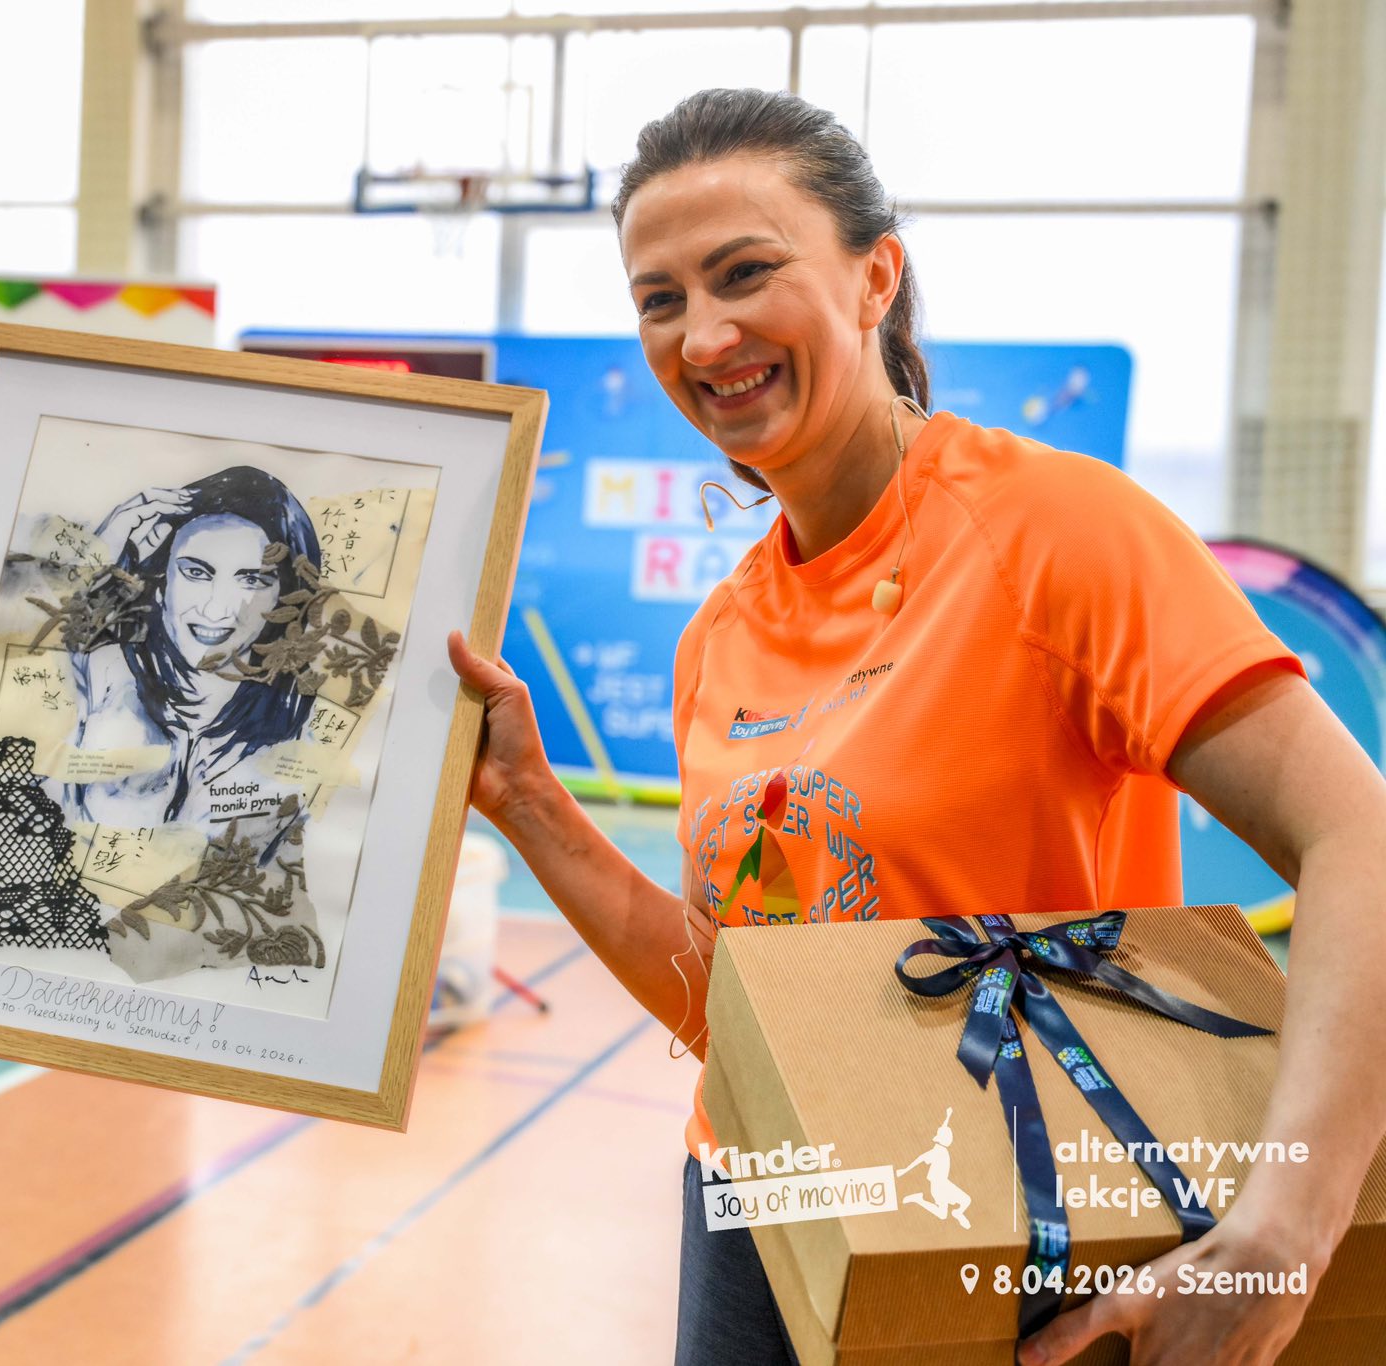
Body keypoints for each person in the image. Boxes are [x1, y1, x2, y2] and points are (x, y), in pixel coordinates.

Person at [445, 87, 1386, 1366]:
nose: (703, 333)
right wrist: (527, 803)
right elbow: (737, 1009)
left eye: (744, 272)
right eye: (658, 298)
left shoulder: (1053, 533)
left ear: (873, 277)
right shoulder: (718, 635)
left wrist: (1284, 1230)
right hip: (754, 1202)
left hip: (1009, 1215)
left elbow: (1358, 839)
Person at [64, 465, 322, 828]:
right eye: (196, 573)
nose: (215, 609)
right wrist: (99, 555)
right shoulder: (101, 672)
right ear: (160, 582)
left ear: (285, 597)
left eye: (252, 580)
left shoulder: (303, 720)